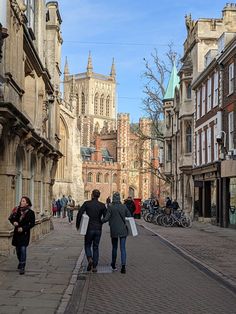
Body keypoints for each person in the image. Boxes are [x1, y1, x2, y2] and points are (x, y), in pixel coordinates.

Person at [76, 189, 106, 273]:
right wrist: (101, 222)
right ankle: (94, 267)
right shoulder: (102, 205)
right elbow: (106, 216)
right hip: (98, 228)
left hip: (89, 228)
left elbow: (80, 213)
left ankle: (89, 258)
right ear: (99, 196)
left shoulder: (87, 204)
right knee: (96, 247)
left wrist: (78, 224)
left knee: (87, 245)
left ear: (92, 195)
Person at [102, 192, 131, 274]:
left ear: (113, 199)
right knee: (123, 248)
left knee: (114, 248)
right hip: (123, 230)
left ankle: (113, 265)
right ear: (119, 198)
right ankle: (123, 267)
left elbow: (106, 218)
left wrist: (100, 221)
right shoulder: (124, 206)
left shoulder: (111, 207)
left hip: (114, 230)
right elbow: (129, 216)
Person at [8, 196, 35, 275]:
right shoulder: (16, 210)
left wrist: (23, 228)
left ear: (27, 203)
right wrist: (14, 222)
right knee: (18, 250)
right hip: (17, 233)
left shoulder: (31, 213)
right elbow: (11, 218)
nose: (21, 202)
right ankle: (20, 261)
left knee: (23, 249)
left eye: (23, 201)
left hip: (24, 233)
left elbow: (32, 224)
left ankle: (22, 266)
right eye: (21, 201)